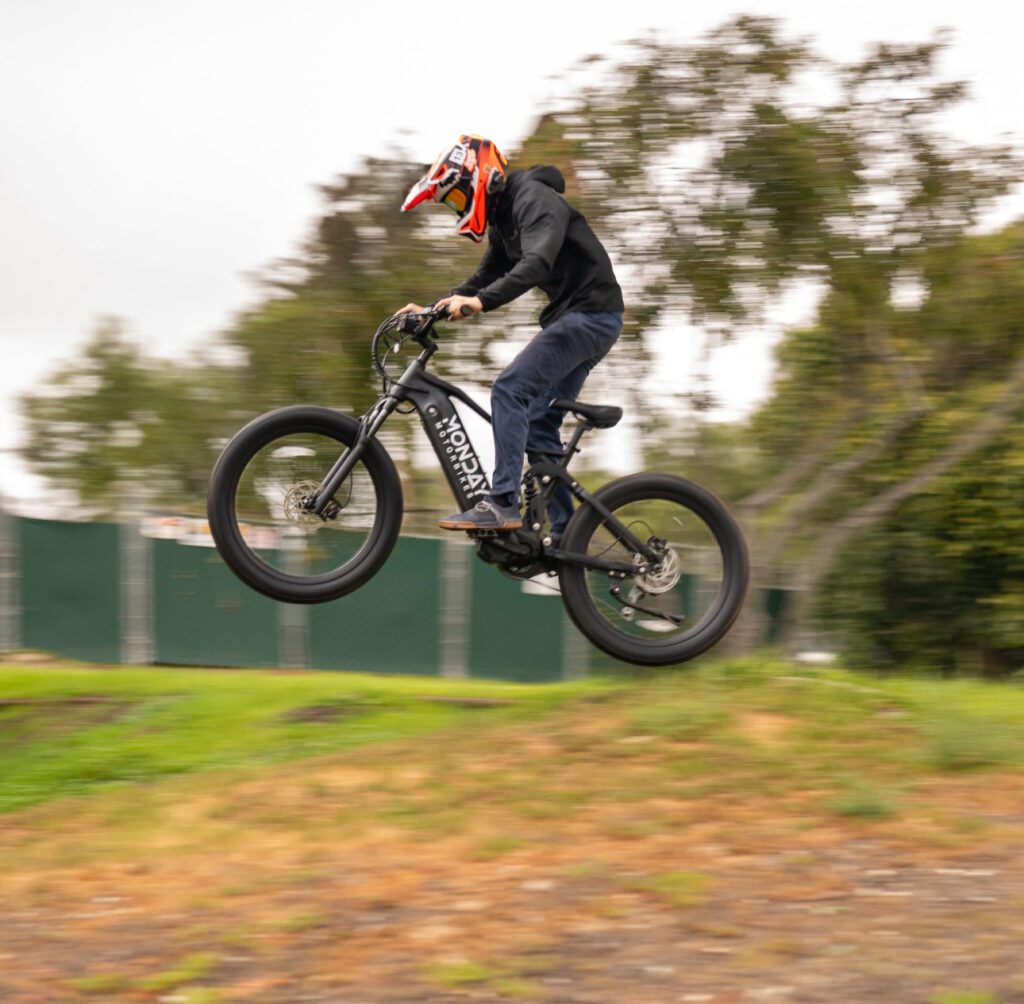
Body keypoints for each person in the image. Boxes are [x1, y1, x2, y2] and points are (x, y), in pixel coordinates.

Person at [398, 134, 623, 538]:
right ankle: (565, 533)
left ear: (477, 179)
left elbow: (537, 262)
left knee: (509, 389)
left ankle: (502, 504)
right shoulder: (505, 218)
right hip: (580, 319)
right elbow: (484, 277)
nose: (457, 210)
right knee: (537, 424)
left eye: (455, 199)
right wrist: (431, 310)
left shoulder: (532, 198)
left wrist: (481, 303)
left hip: (590, 314)